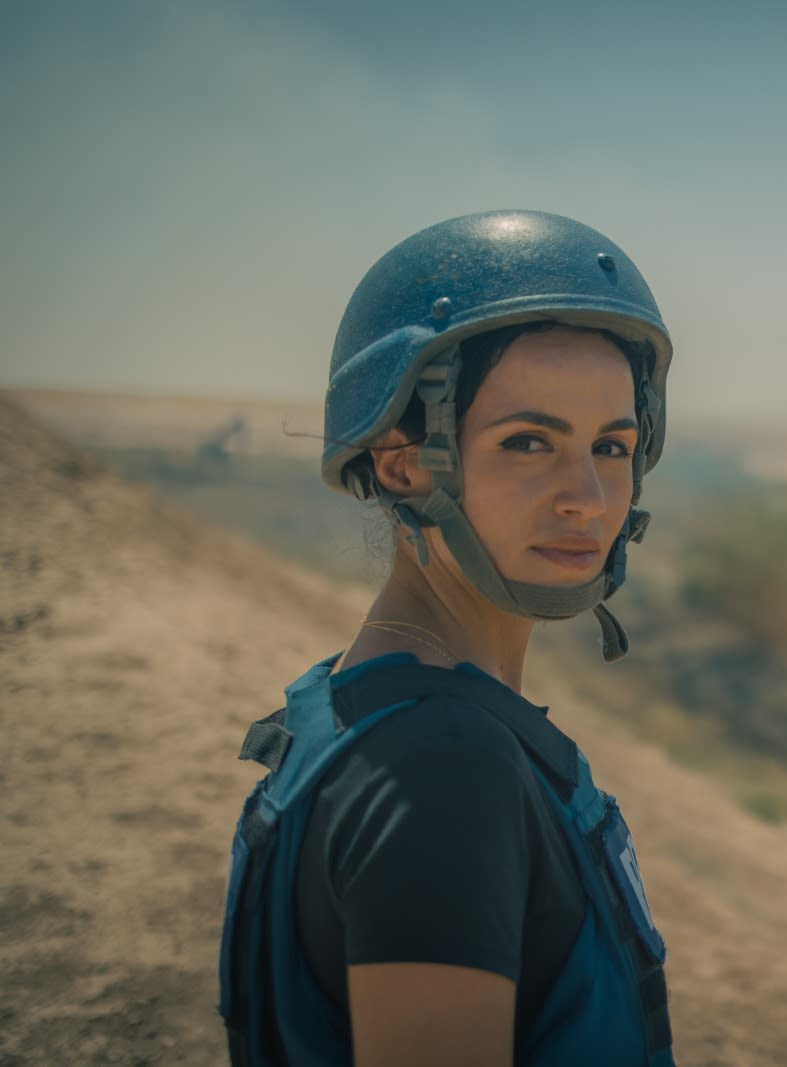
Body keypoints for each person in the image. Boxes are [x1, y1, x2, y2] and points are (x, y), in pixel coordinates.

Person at [219, 210, 675, 1066]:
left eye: (612, 446)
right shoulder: (443, 768)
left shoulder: (352, 703)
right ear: (401, 463)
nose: (587, 496)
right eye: (528, 441)